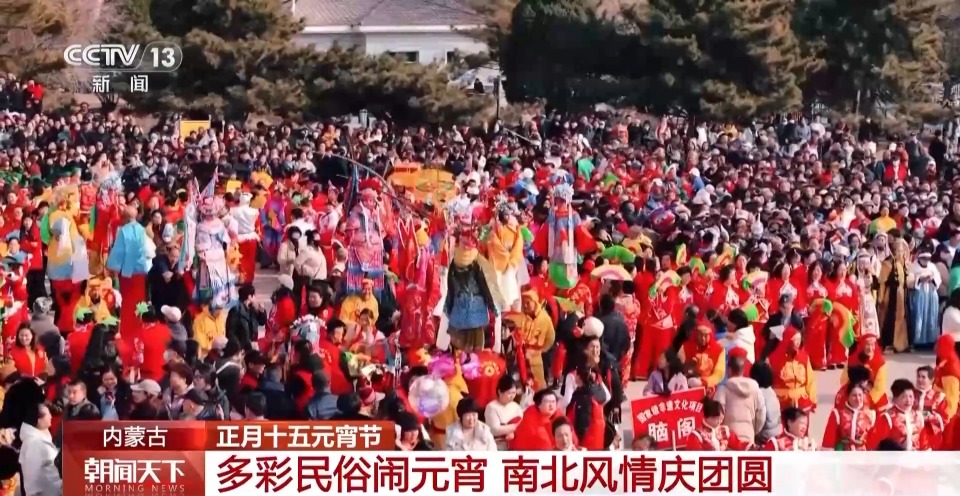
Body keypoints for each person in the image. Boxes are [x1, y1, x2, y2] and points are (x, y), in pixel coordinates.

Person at [714, 355, 765, 444]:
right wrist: (754, 430)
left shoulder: (723, 390)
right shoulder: (756, 391)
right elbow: (761, 414)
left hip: (729, 438)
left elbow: (716, 414)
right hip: (749, 436)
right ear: (743, 370)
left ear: (729, 370)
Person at [867, 378, 927, 450]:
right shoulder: (887, 418)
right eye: (903, 397)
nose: (908, 400)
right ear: (895, 399)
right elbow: (875, 443)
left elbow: (924, 444)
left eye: (911, 396)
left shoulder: (918, 417)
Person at [767, 326, 816, 412]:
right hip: (782, 402)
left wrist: (813, 400)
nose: (798, 343)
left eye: (799, 340)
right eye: (795, 340)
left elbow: (810, 381)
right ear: (787, 341)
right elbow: (767, 384)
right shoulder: (772, 359)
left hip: (802, 401)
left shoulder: (804, 357)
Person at [19, 403, 61, 496]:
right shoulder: (33, 444)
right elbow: (32, 476)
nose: (51, 417)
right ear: (39, 420)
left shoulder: (43, 435)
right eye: (48, 414)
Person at [822, 382, 876, 451]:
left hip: (863, 454)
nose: (858, 398)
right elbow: (829, 439)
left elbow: (873, 440)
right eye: (854, 395)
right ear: (848, 396)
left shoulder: (870, 415)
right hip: (843, 453)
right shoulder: (838, 414)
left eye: (860, 395)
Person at [840, 335, 889, 411]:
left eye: (872, 345)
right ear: (862, 345)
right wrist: (853, 393)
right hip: (854, 395)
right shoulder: (852, 360)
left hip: (874, 399)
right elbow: (844, 381)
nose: (870, 348)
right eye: (867, 345)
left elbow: (879, 388)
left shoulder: (880, 363)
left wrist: (866, 400)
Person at [682, 398, 752, 451]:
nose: (720, 422)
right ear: (707, 417)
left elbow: (737, 443)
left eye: (721, 419)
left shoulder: (722, 431)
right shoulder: (695, 436)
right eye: (717, 419)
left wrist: (751, 447)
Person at [225, 284, 267, 352]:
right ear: (249, 296)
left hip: (251, 345)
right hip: (241, 347)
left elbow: (262, 322)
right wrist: (237, 346)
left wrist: (262, 311)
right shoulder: (236, 311)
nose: (255, 298)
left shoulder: (252, 309)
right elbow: (230, 332)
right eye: (254, 295)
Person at [484, 376, 522, 450]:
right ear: (500, 392)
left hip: (516, 442)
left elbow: (523, 423)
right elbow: (494, 429)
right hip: (498, 445)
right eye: (509, 393)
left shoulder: (515, 406)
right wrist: (515, 427)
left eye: (514, 393)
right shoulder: (492, 407)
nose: (512, 396)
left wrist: (513, 432)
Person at [749, 362, 780, 445]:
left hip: (764, 436)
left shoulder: (757, 394)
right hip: (777, 432)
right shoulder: (771, 392)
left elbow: (761, 418)